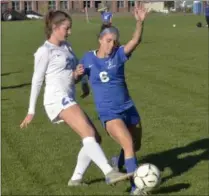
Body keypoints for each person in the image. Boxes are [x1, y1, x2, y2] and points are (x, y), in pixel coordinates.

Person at [20, 10, 133, 187]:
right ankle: (109, 172)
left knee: (95, 138)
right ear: (55, 28)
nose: (69, 32)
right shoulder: (44, 51)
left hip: (67, 97)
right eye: (67, 28)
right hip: (56, 99)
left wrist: (78, 77)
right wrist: (31, 111)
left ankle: (76, 179)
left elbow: (72, 71)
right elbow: (37, 80)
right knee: (87, 133)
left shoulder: (66, 46)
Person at [77, 4, 148, 195]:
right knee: (128, 143)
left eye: (114, 42)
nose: (111, 45)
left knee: (135, 144)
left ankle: (118, 162)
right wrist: (78, 78)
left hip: (128, 107)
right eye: (108, 41)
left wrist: (140, 22)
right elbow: (79, 76)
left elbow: (136, 40)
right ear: (100, 40)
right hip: (109, 113)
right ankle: (136, 188)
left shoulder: (119, 55)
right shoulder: (87, 58)